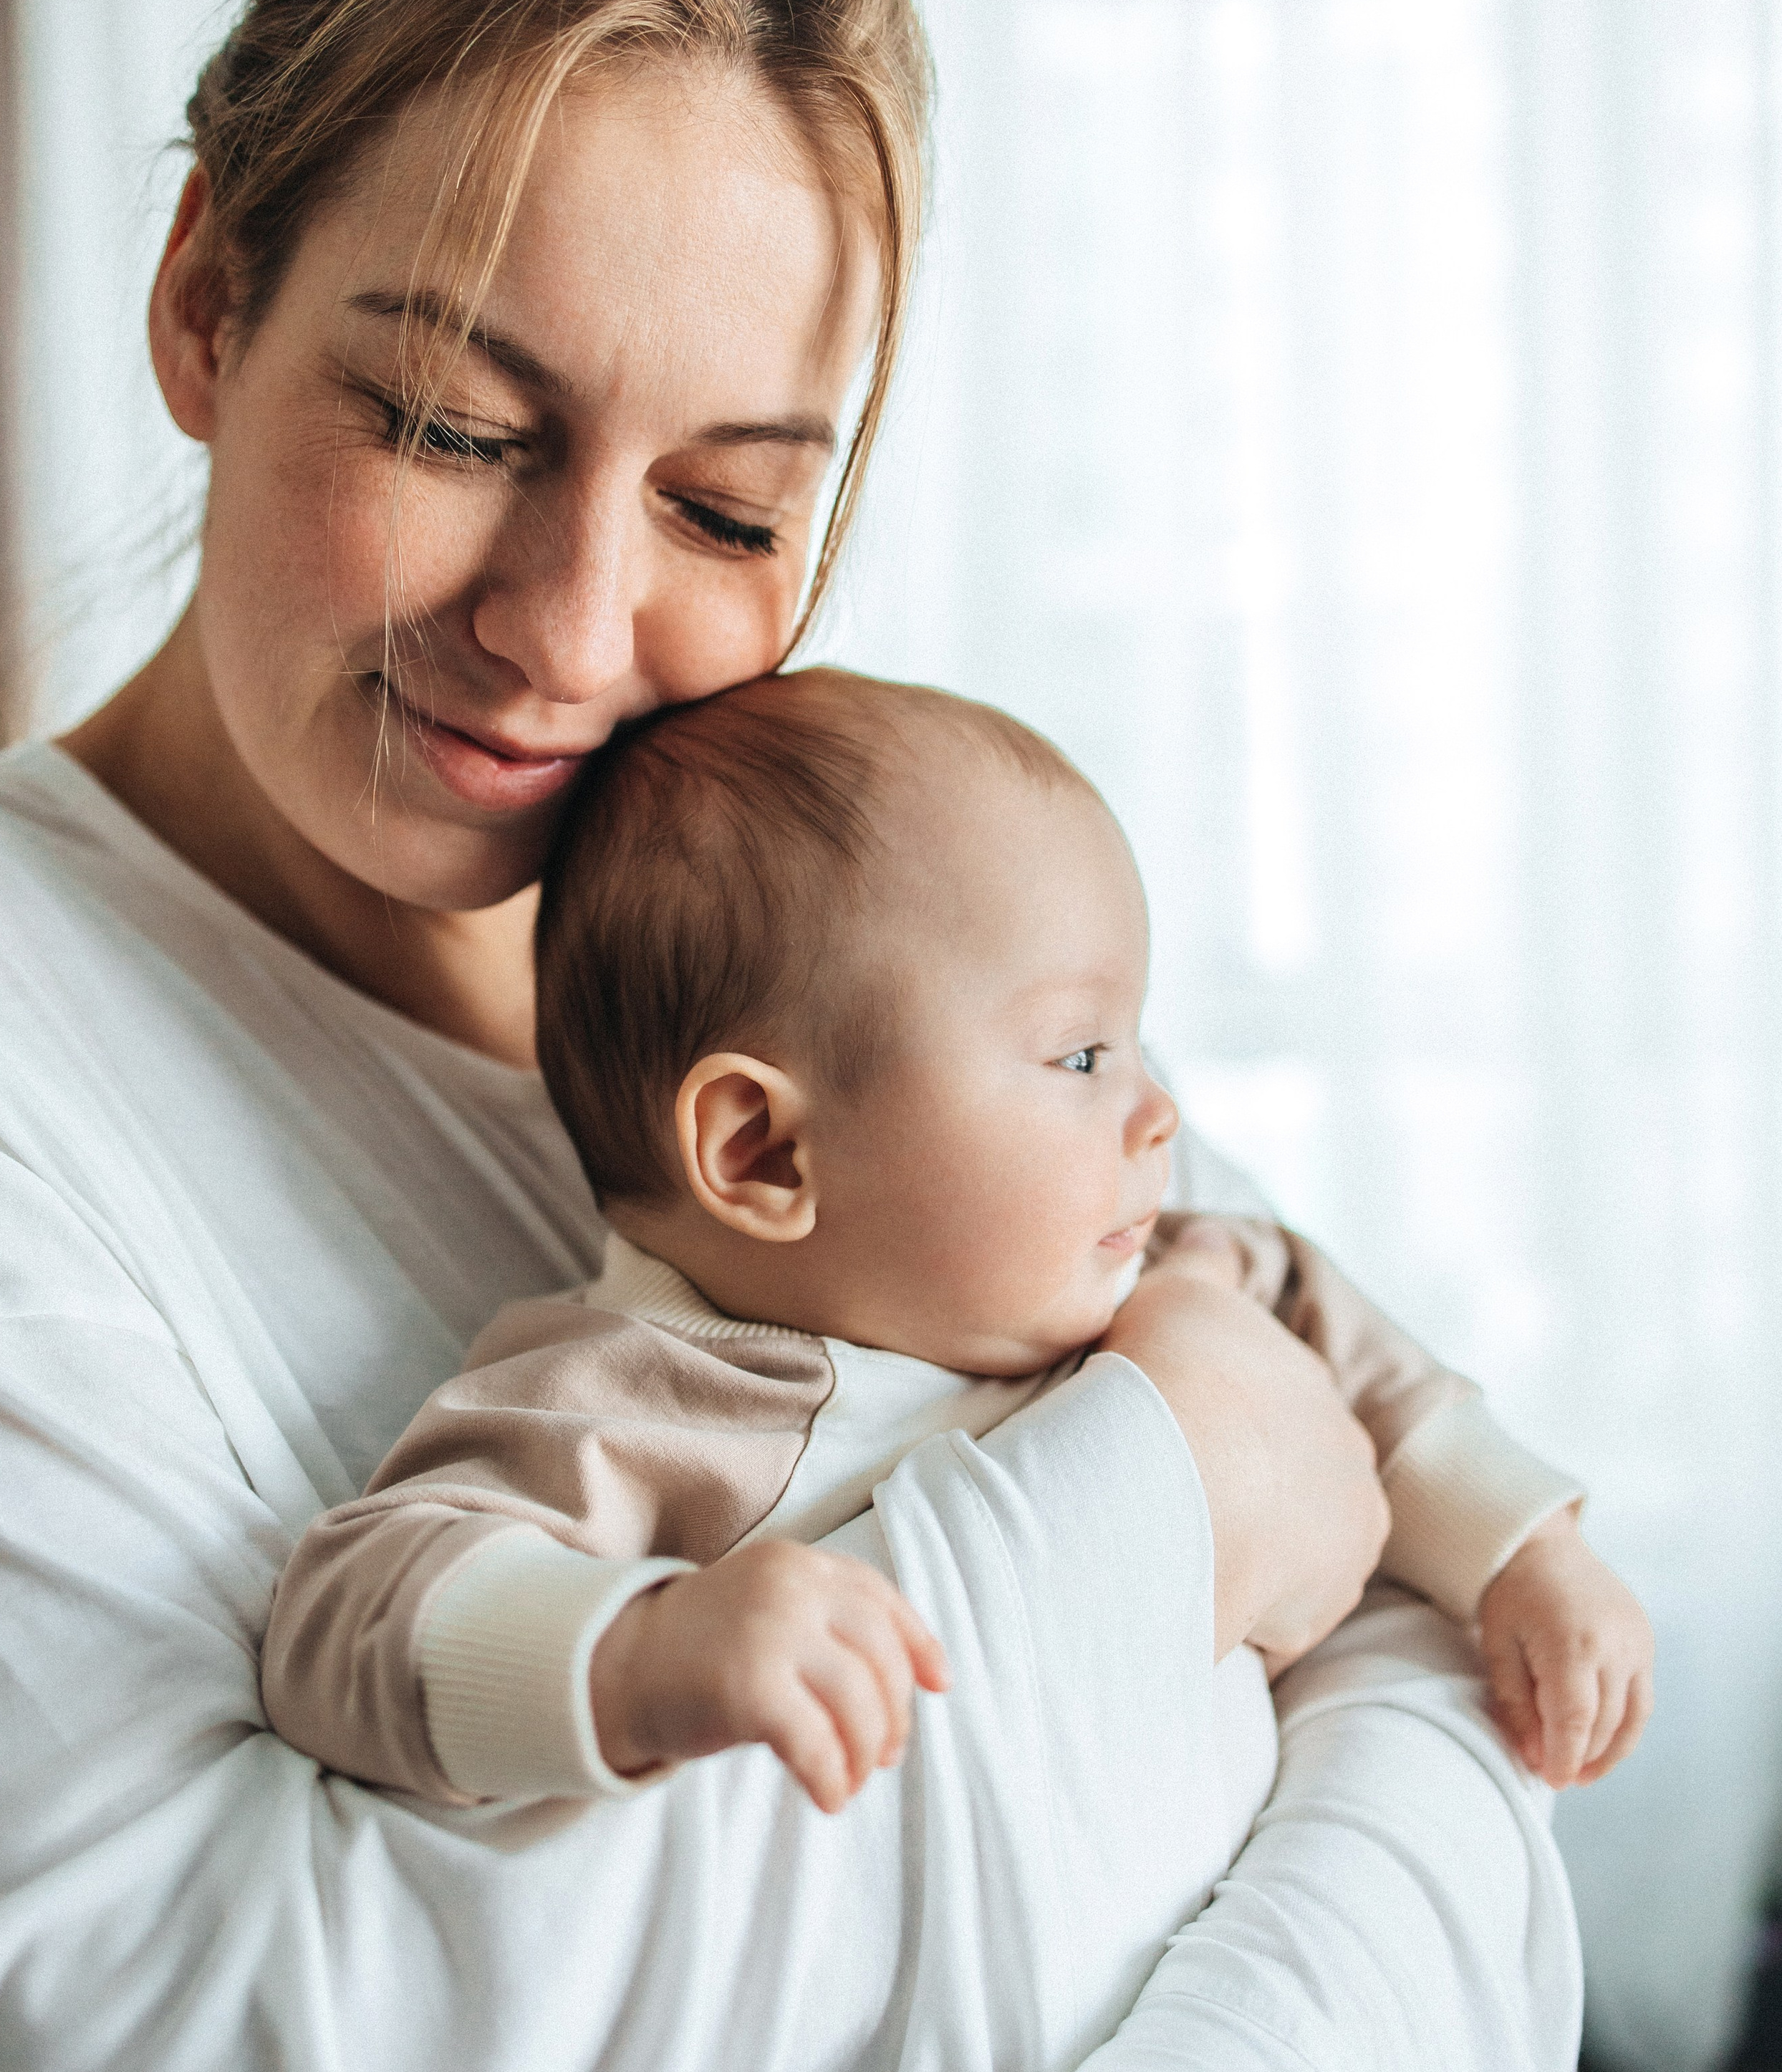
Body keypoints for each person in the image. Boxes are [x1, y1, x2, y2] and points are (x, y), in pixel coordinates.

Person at [0, 0, 1640, 2072]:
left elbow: (1428, 1663)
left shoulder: (832, 943)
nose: (568, 626)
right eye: (454, 427)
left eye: (730, 509)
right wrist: (1164, 1509)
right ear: (203, 302)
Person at [260, 666, 1652, 1821]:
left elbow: (1340, 1337)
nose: (1158, 1111)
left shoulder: (1158, 1271)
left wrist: (1522, 1551)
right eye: (1082, 1055)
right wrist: (637, 1653)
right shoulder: (646, 1407)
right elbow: (342, 1626)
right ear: (763, 1153)